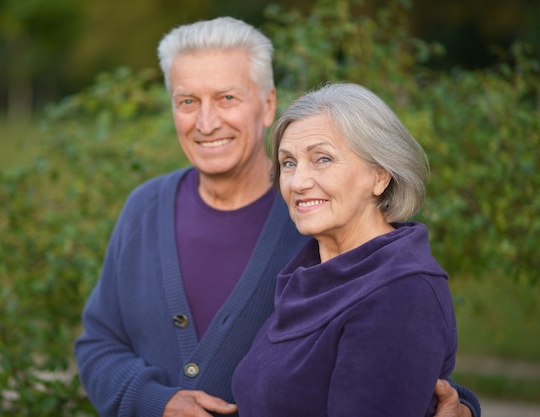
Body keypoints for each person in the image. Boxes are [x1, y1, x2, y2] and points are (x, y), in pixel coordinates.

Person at [74, 17, 481, 417]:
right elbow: (98, 343)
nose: (206, 122)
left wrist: (458, 405)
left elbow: (394, 338)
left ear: (268, 104)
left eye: (227, 97)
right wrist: (155, 401)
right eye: (187, 101)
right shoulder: (146, 208)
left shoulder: (314, 219)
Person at [231, 82, 464, 417]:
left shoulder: (400, 292)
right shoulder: (308, 274)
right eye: (288, 163)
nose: (298, 182)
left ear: (380, 176)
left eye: (322, 159)